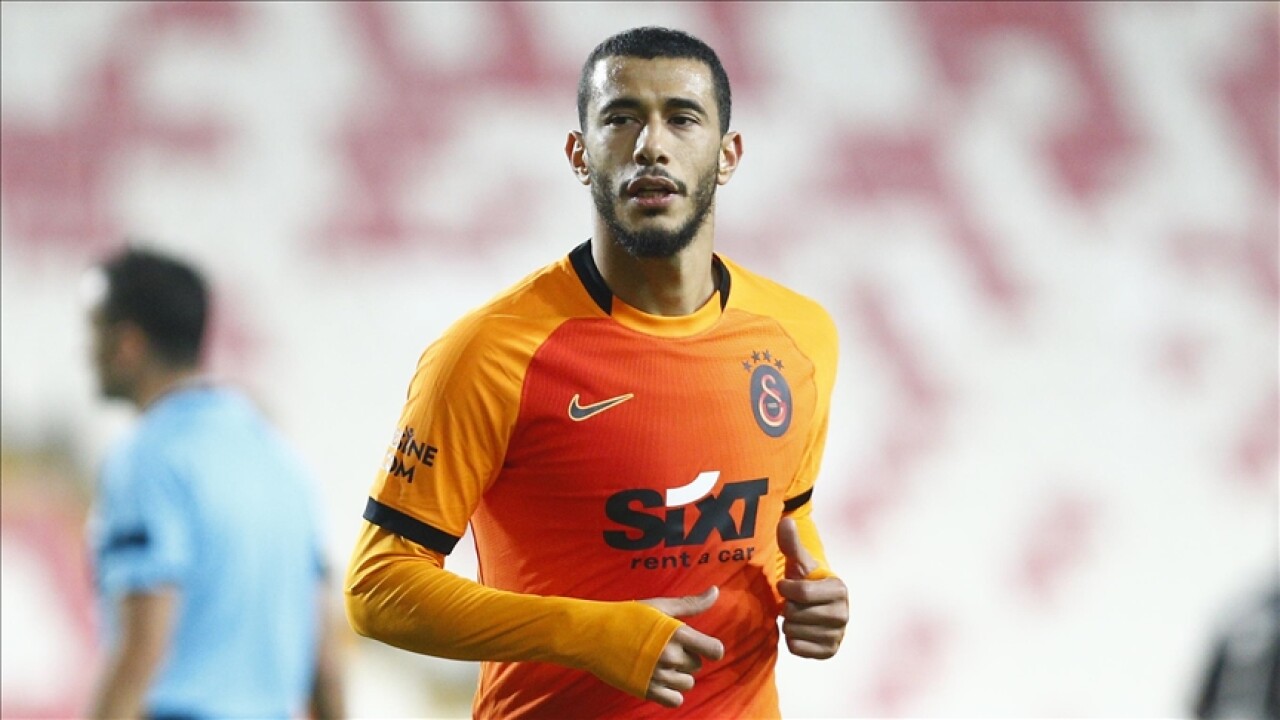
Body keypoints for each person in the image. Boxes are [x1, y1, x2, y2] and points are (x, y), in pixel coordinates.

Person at [345, 26, 848, 719]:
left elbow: (787, 514)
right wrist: (589, 634)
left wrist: (813, 588)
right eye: (621, 118)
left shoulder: (801, 335)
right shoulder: (490, 352)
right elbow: (376, 588)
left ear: (727, 154)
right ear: (580, 154)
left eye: (682, 118)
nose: (651, 145)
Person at [83, 247, 345, 719]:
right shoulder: (279, 458)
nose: (84, 353)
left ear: (128, 343)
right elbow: (325, 659)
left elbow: (141, 650)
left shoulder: (146, 458)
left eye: (94, 331)